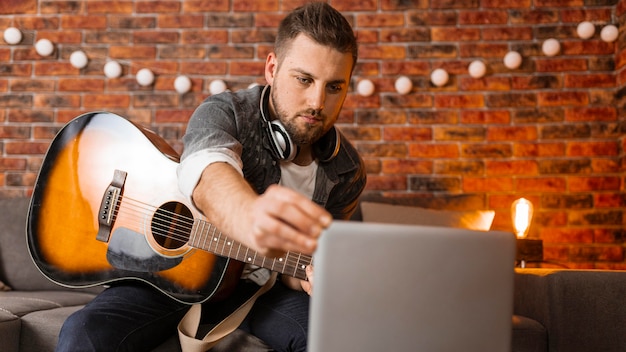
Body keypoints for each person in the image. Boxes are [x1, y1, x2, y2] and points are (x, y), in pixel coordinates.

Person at [56, 2, 366, 351]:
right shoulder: (226, 111)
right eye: (304, 79)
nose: (317, 102)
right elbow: (206, 171)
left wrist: (312, 277)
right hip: (169, 273)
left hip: (262, 292)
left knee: (328, 339)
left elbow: (304, 265)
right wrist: (251, 217)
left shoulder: (347, 171)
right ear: (272, 68)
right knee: (84, 333)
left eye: (335, 87)